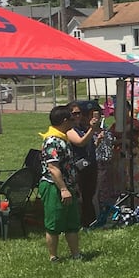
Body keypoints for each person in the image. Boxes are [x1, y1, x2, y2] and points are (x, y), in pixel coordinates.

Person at [38, 104, 83, 262]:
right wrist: (63, 189)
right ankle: (53, 256)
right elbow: (53, 168)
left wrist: (72, 186)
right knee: (54, 223)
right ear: (65, 121)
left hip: (67, 185)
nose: (74, 121)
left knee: (72, 223)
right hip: (53, 186)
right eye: (71, 118)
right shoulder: (52, 141)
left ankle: (76, 254)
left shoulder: (63, 139)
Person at [65, 102, 101, 227]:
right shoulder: (69, 130)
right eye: (74, 113)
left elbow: (88, 145)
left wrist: (97, 141)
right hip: (78, 167)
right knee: (81, 196)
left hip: (90, 164)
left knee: (89, 195)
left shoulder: (82, 127)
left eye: (79, 113)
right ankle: (82, 222)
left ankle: (90, 221)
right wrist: (92, 129)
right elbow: (80, 142)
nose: (78, 116)